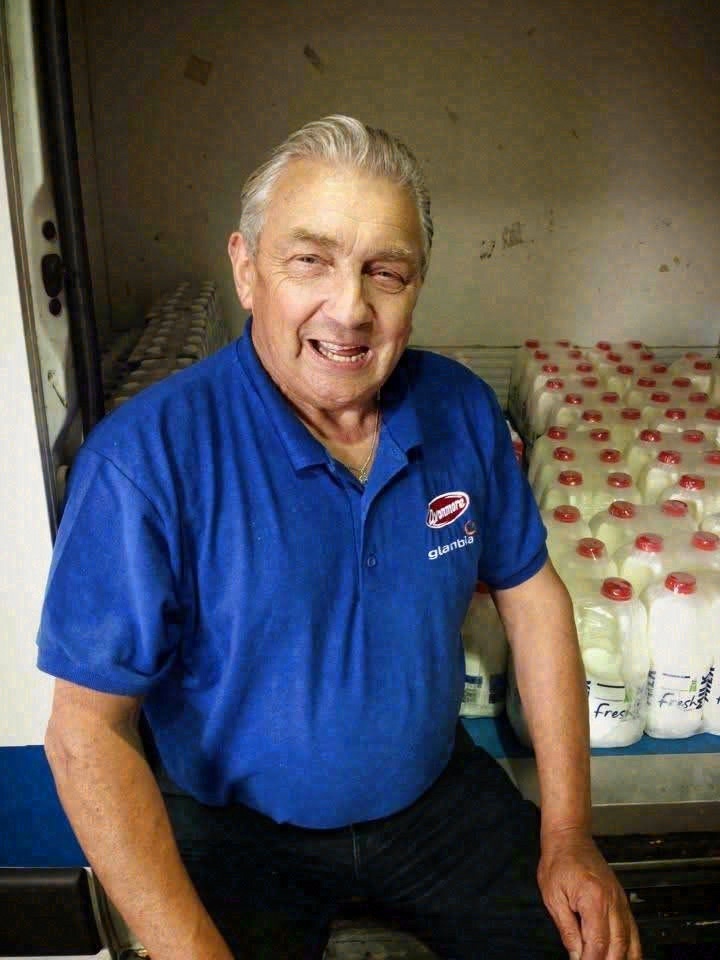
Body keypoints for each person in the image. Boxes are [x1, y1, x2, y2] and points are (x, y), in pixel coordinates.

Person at [38, 115, 641, 960]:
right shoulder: (146, 459)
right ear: (246, 269)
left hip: (433, 798)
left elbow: (533, 600)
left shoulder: (459, 411)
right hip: (237, 829)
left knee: (588, 945)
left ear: (416, 286)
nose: (351, 308)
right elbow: (85, 736)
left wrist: (569, 834)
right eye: (310, 261)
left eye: (385, 271)